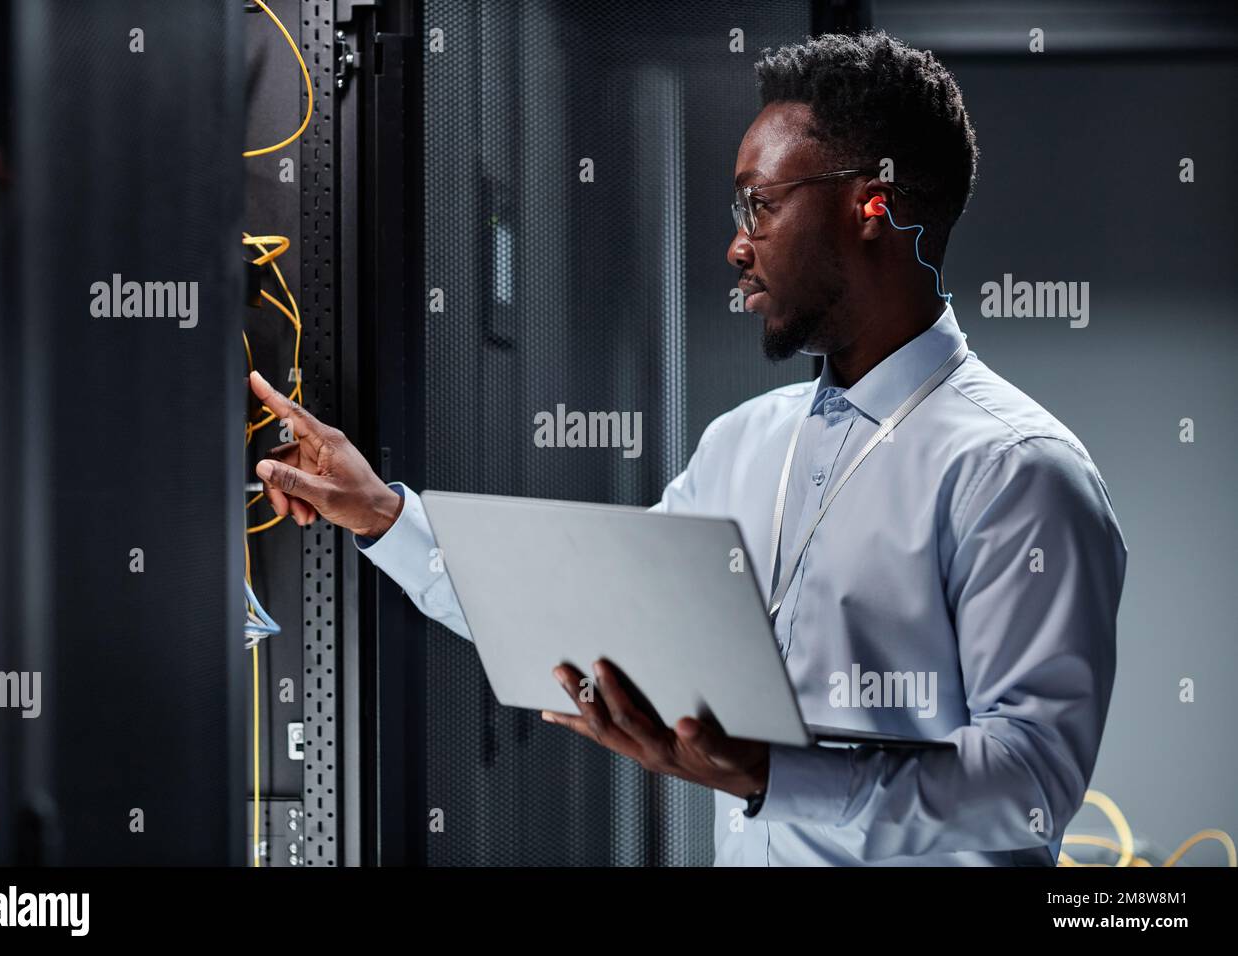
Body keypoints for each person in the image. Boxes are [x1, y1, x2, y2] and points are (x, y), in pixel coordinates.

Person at [249, 31, 1127, 866]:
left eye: (761, 203)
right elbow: (582, 617)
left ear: (874, 204)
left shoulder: (1016, 471)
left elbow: (1032, 780)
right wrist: (383, 516)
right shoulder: (743, 444)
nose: (736, 245)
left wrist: (772, 776)